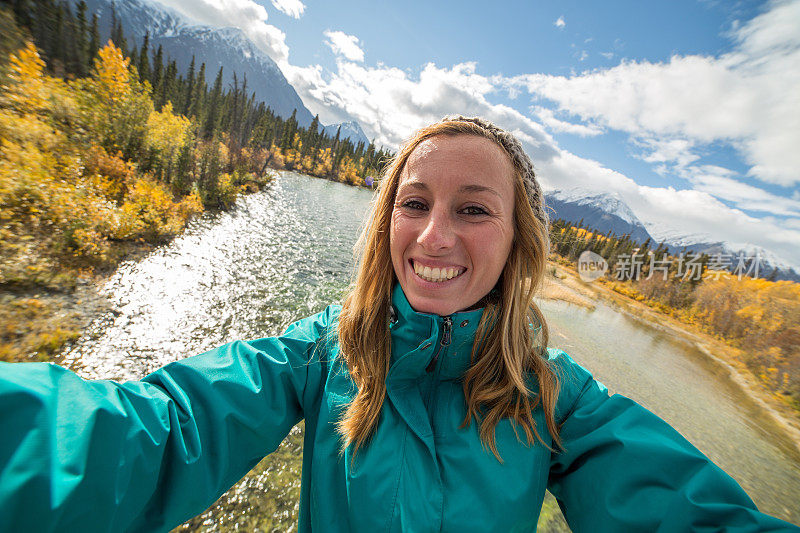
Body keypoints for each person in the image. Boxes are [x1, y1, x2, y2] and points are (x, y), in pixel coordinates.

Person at [0, 116, 797, 533]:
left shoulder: (556, 399)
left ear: (518, 243)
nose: (435, 235)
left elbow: (684, 510)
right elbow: (165, 428)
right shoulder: (322, 351)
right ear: (386, 221)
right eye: (414, 203)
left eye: (474, 209)